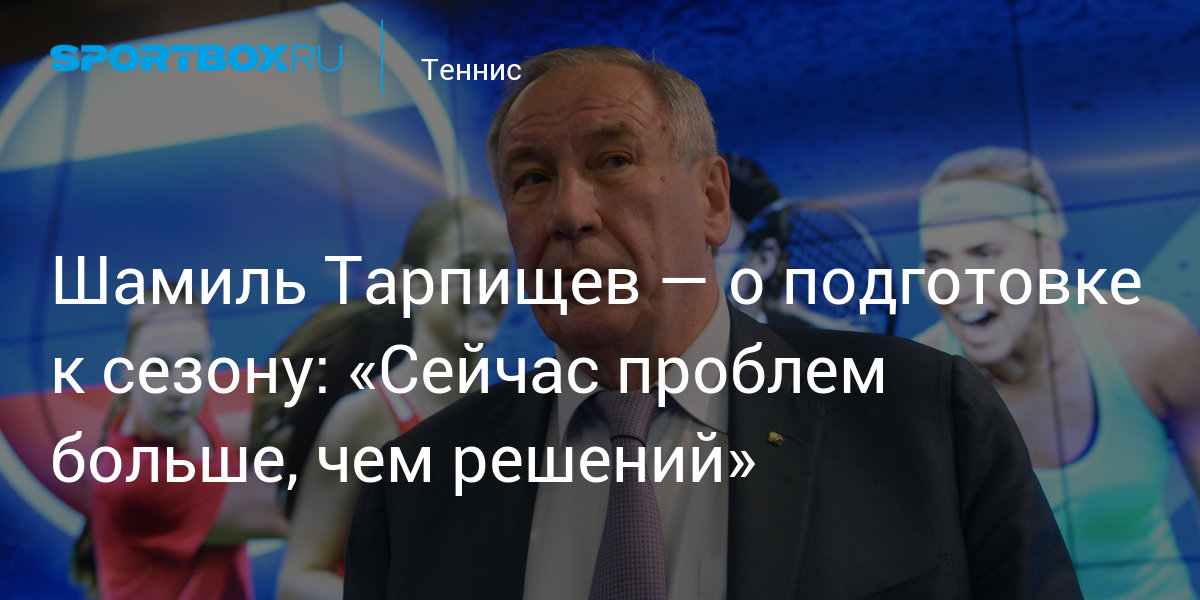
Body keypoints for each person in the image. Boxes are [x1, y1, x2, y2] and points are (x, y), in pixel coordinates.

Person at [345, 46, 1082, 599]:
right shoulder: (415, 488)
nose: (569, 212)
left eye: (614, 160)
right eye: (531, 178)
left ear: (712, 200)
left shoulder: (923, 415)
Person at [915, 146, 1200, 600]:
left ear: (1046, 253)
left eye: (984, 253)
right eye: (936, 259)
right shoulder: (918, 385)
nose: (954, 284)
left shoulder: (1151, 341)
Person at [276, 196, 511, 599]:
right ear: (413, 284)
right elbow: (297, 581)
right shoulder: (364, 418)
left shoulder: (513, 415)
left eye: (501, 268)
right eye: (468, 266)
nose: (489, 284)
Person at [73, 288, 287, 600]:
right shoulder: (137, 479)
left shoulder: (179, 413)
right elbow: (285, 514)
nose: (177, 387)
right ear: (127, 368)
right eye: (156, 368)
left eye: (192, 363)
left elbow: (227, 435)